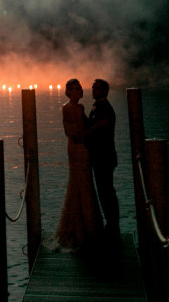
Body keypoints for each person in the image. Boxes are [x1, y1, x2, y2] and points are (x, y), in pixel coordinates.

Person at [54, 78, 102, 250]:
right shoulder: (67, 108)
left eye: (79, 88)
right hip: (76, 147)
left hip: (84, 146)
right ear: (68, 92)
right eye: (74, 89)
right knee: (77, 182)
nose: (78, 91)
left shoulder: (81, 108)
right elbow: (71, 132)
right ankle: (78, 230)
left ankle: (89, 228)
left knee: (86, 183)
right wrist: (87, 132)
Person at [85, 78, 119, 237]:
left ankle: (113, 224)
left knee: (107, 191)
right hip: (99, 156)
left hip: (104, 156)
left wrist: (88, 132)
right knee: (104, 191)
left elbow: (103, 123)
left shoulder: (105, 107)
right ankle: (110, 224)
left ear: (104, 91)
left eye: (96, 88)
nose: (93, 90)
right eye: (93, 88)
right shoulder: (97, 106)